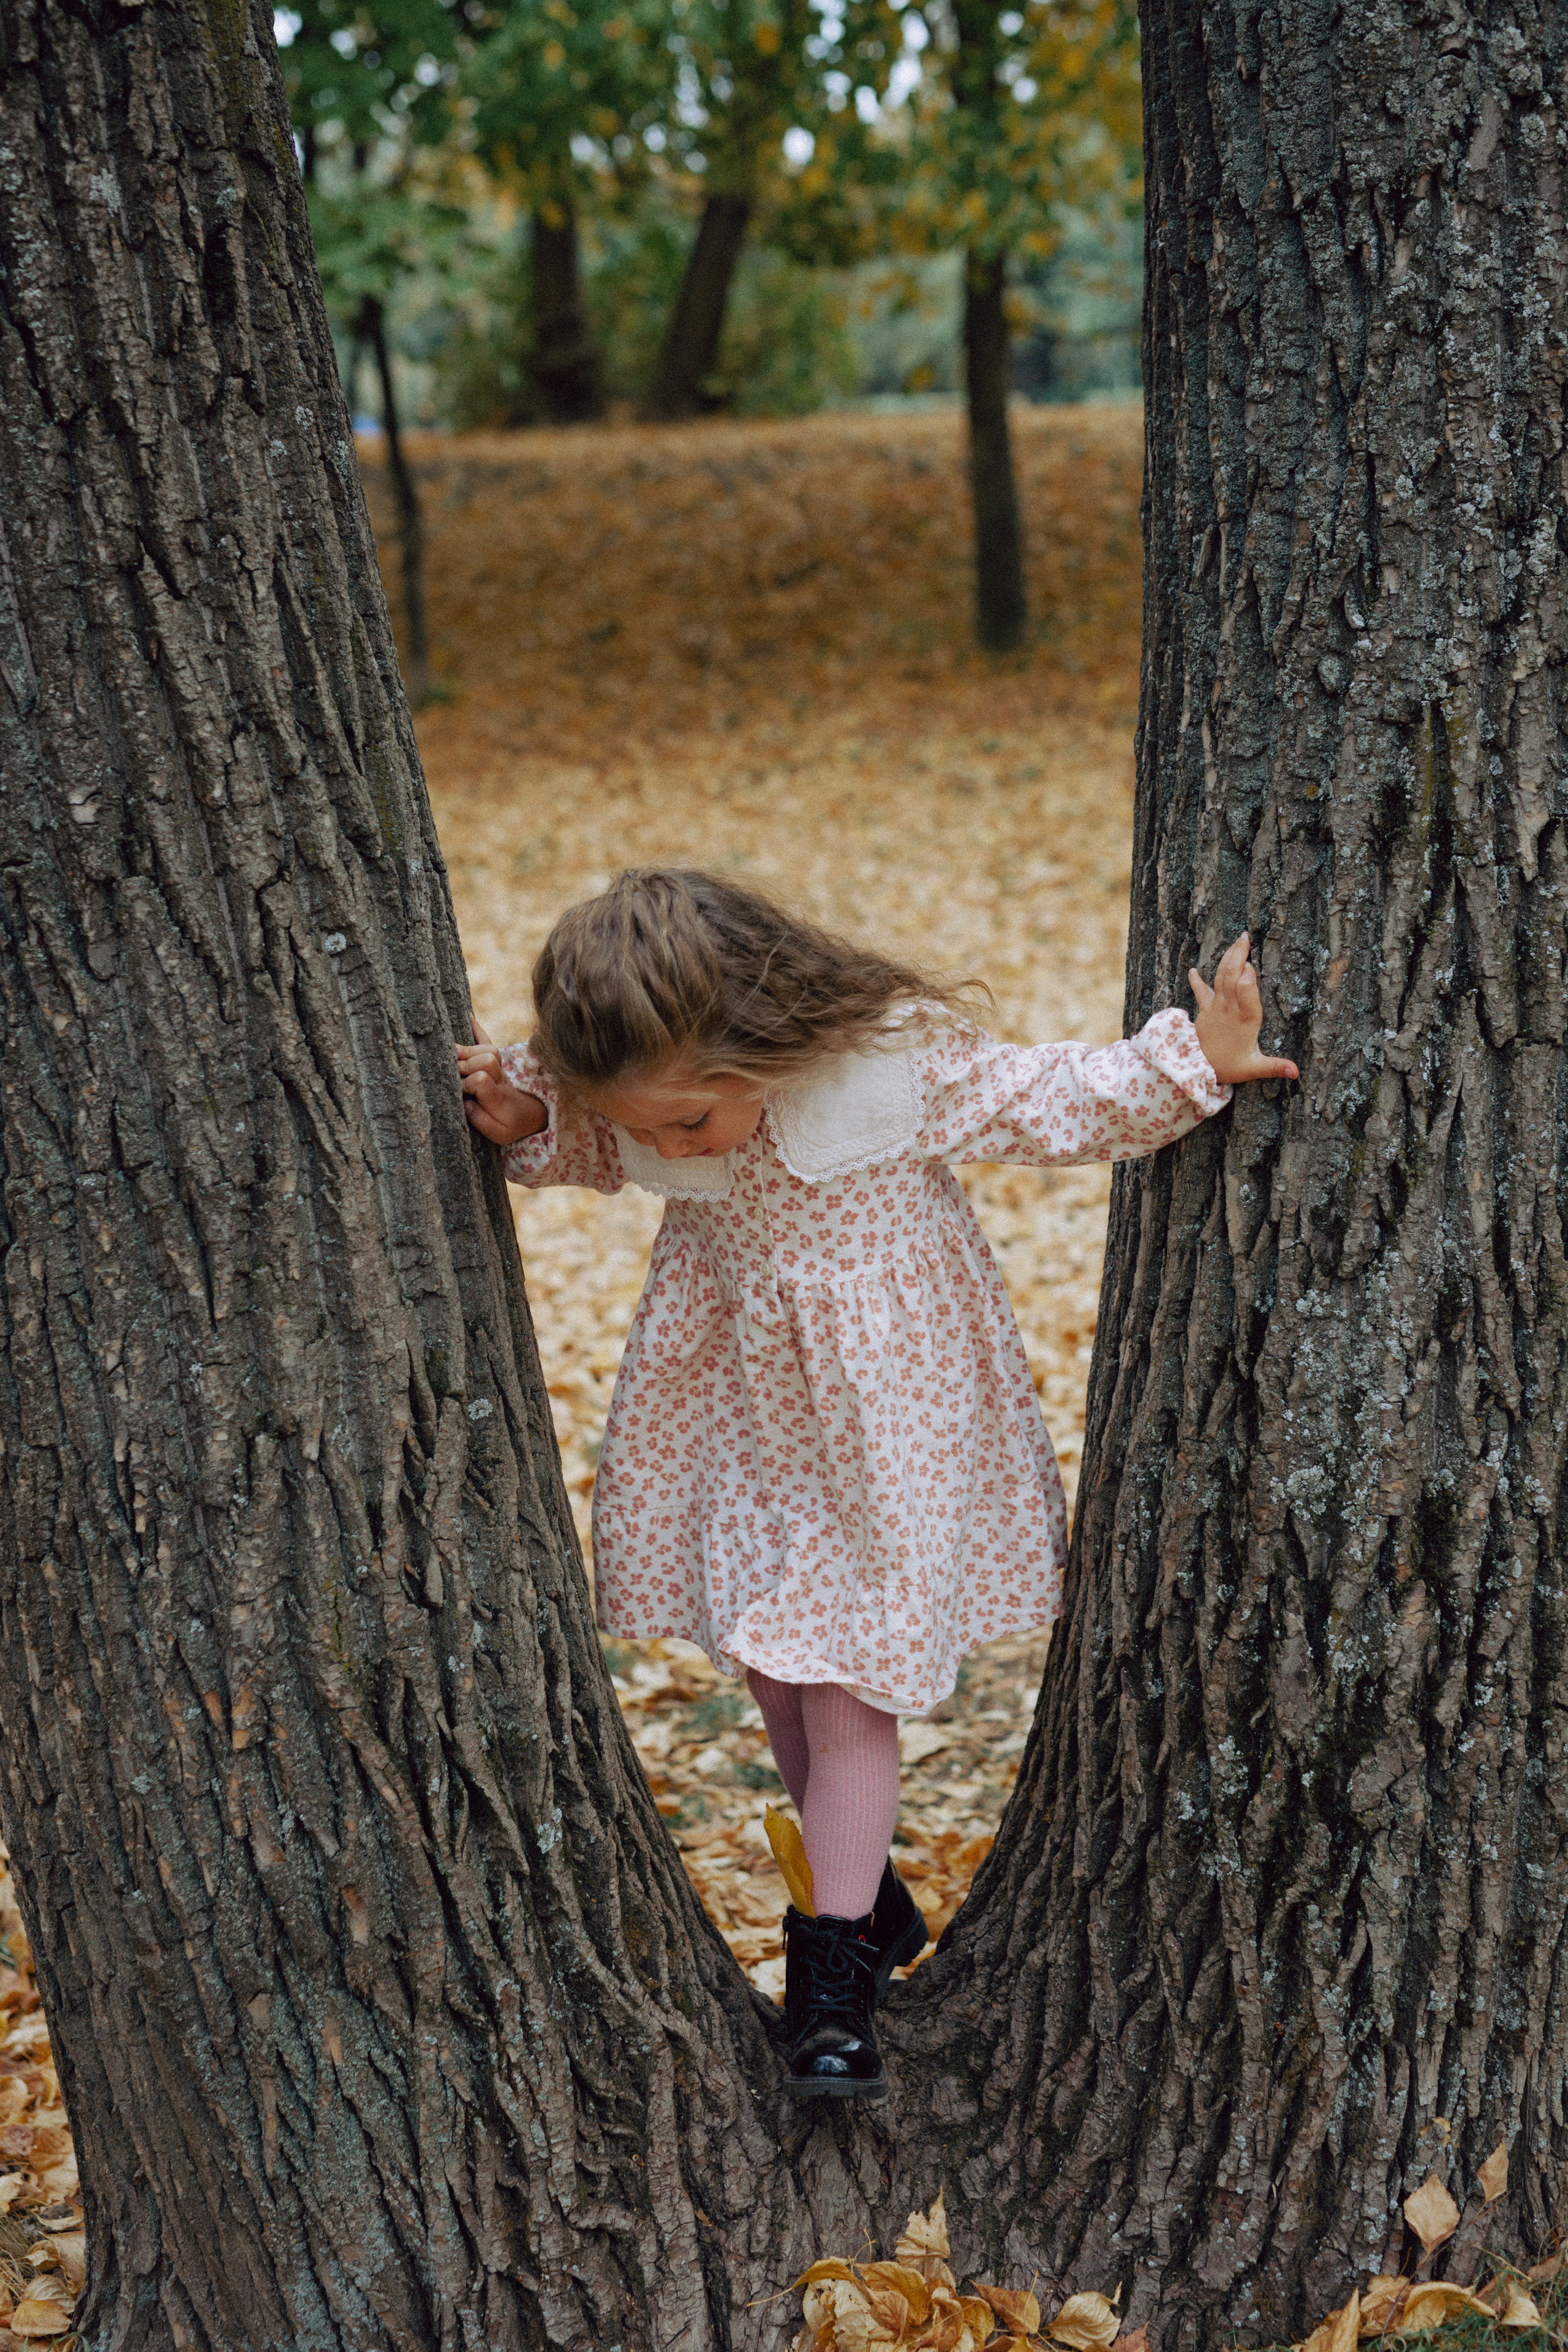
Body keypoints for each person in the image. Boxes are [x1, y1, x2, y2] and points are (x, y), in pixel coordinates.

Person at [456, 869, 1297, 2102]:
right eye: (657, 1130)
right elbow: (585, 1139)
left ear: (757, 1040)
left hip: (881, 1430)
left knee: (846, 1690)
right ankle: (870, 1901)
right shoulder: (653, 1099)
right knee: (770, 1660)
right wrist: (524, 1124)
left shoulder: (887, 1069)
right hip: (734, 1420)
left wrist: (1192, 1063)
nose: (670, 1148)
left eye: (691, 1123)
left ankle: (830, 1984)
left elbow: (1044, 1098)